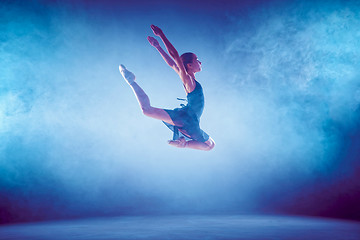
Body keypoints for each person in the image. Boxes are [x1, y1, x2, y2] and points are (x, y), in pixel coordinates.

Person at [119, 25, 215, 151]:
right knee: (210, 145)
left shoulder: (188, 79)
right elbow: (175, 56)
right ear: (190, 65)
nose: (200, 62)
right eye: (197, 60)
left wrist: (158, 47)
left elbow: (172, 64)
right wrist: (162, 35)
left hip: (184, 117)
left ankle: (131, 81)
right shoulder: (189, 80)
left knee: (147, 110)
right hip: (189, 118)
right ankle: (183, 143)